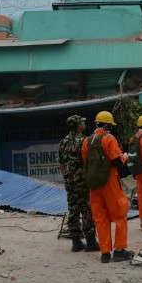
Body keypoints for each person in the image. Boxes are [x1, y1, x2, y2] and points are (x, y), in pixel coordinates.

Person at [81, 111, 132, 263]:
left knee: (101, 219)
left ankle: (105, 253)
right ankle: (119, 250)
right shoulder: (109, 139)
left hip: (94, 186)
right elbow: (116, 161)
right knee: (119, 215)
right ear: (109, 125)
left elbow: (85, 162)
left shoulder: (87, 141)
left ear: (96, 123)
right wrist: (124, 157)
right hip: (110, 183)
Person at [59, 115, 99, 252]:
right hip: (81, 181)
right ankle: (91, 242)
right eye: (82, 122)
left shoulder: (63, 141)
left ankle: (76, 242)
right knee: (86, 210)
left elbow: (61, 163)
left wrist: (67, 177)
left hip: (69, 181)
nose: (84, 123)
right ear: (77, 126)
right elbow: (89, 161)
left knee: (73, 210)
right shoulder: (84, 140)